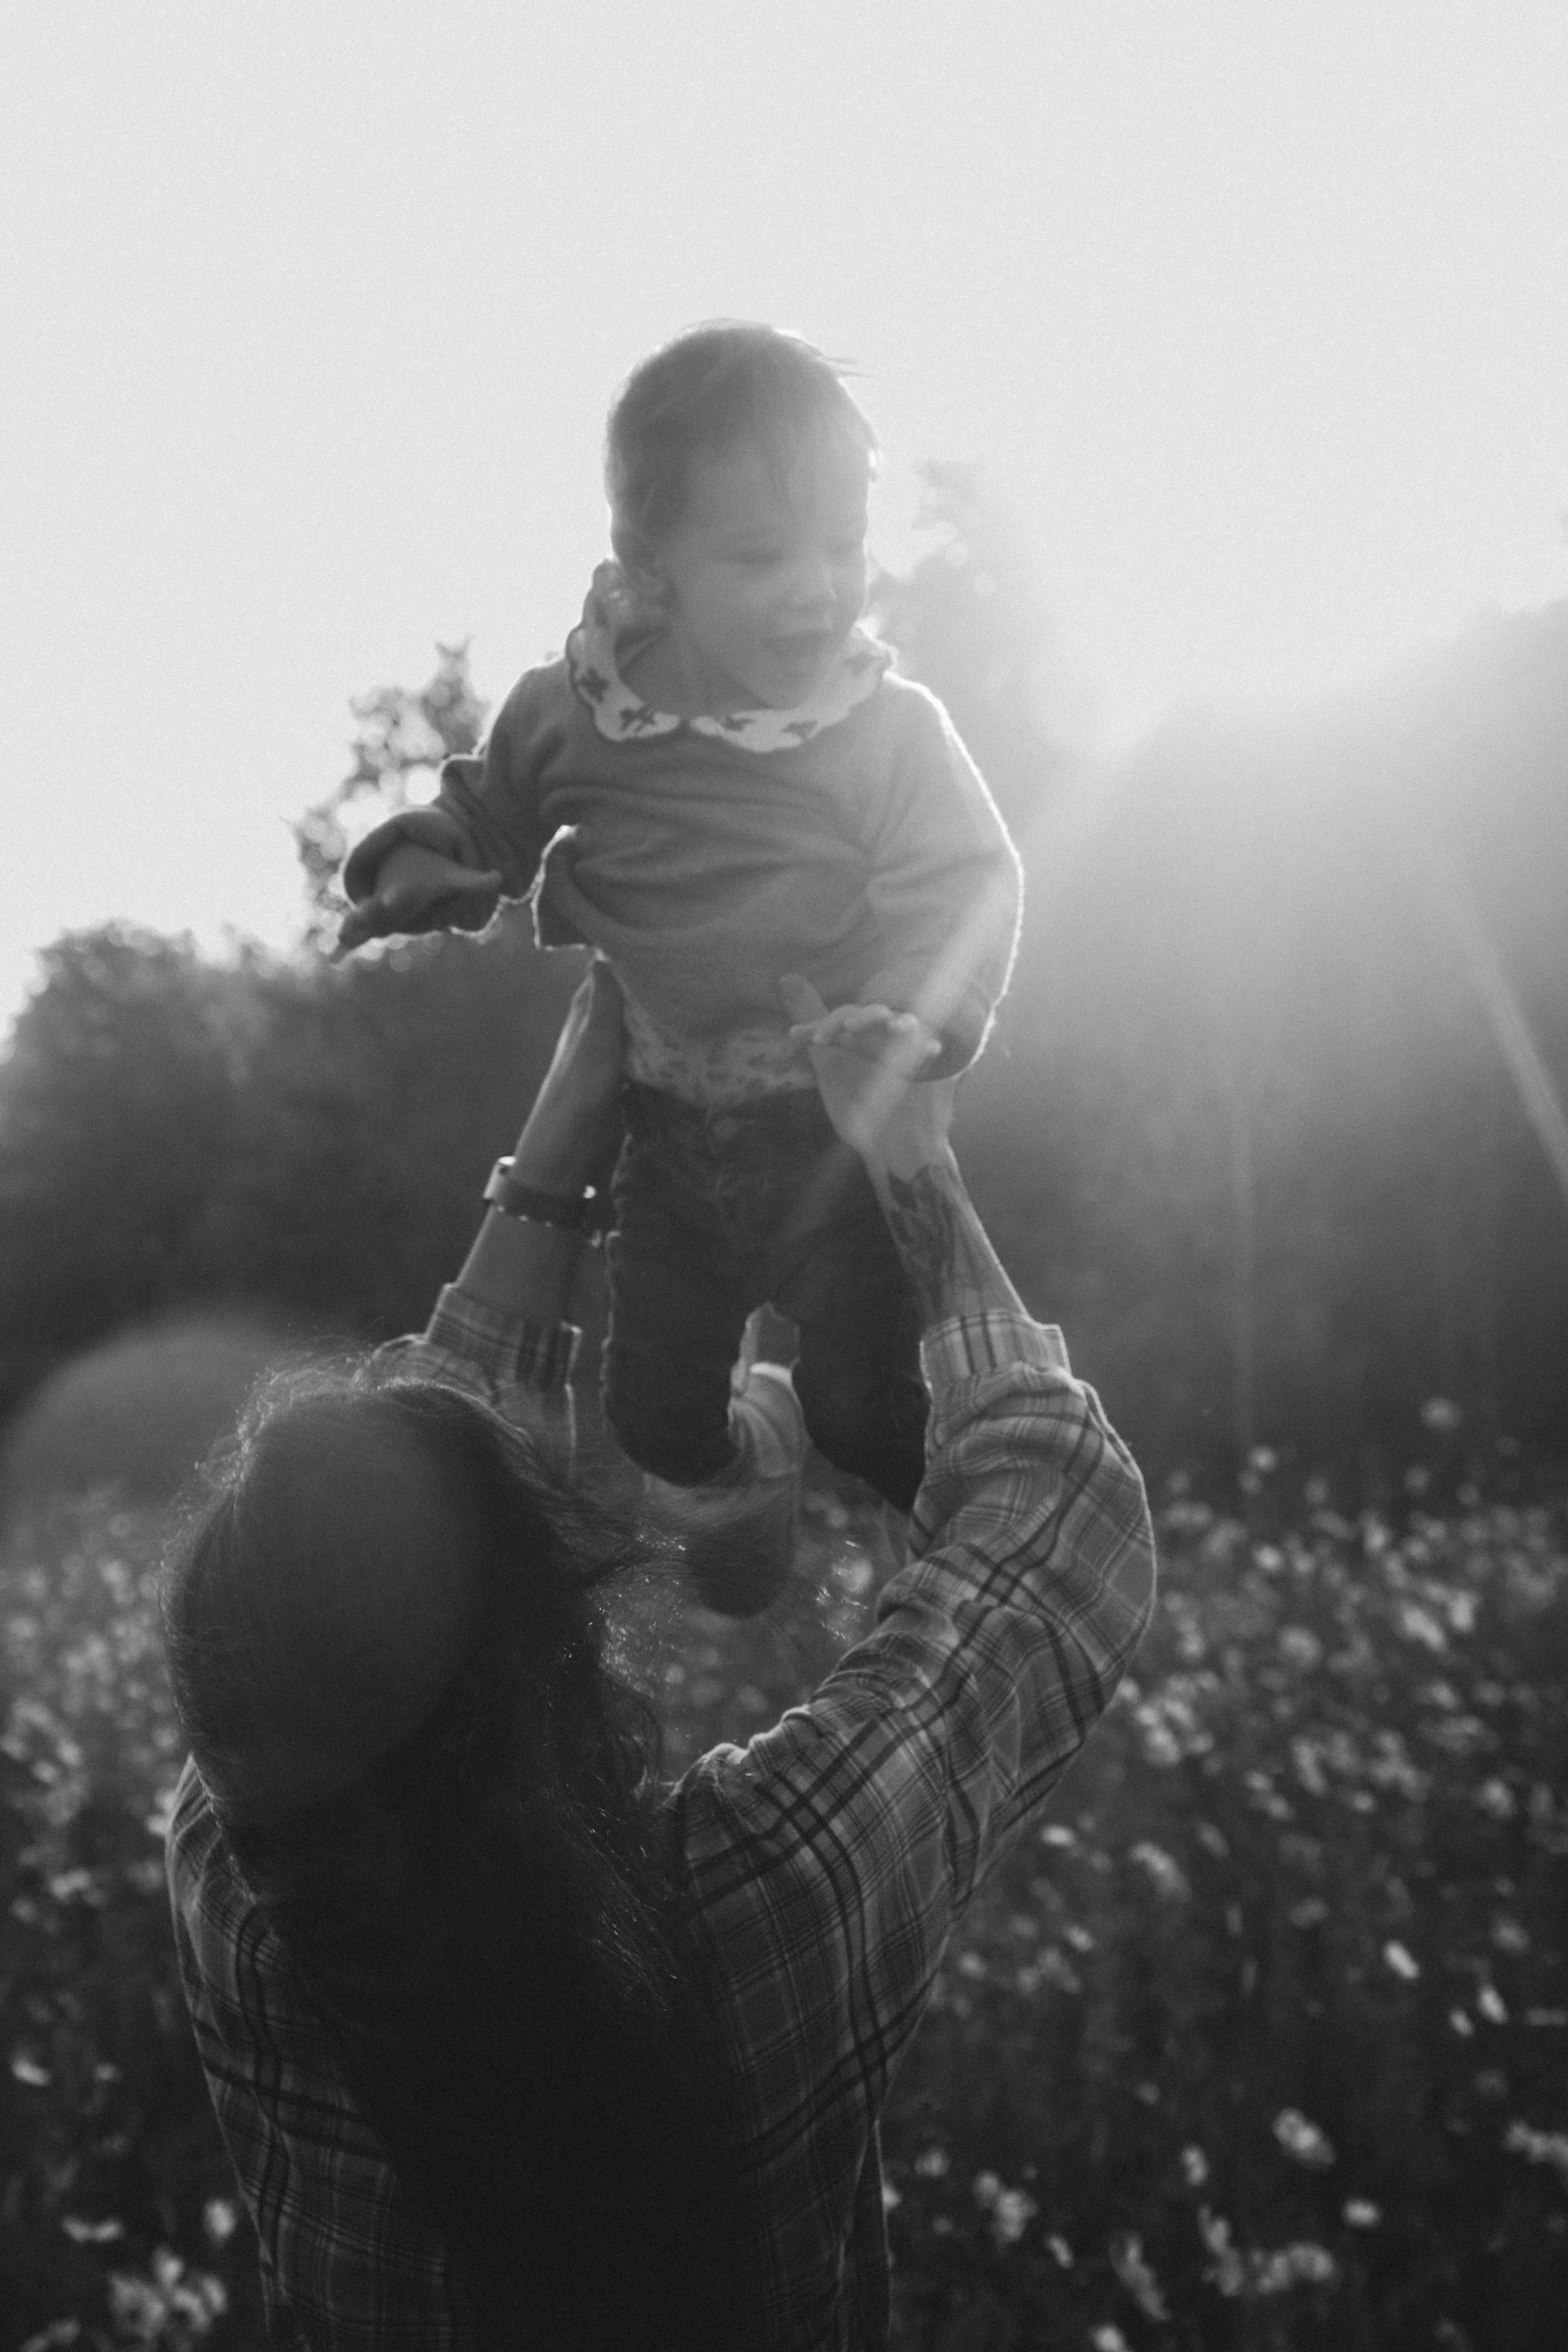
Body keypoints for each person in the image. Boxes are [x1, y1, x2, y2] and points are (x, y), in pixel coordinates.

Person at [162, 958, 1154, 2352]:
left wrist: (557, 1153)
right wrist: (911, 1171)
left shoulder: (239, 1894)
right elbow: (1061, 1520)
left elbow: (384, 1580)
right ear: (554, 1647)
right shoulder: (756, 1906)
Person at [334, 322, 1024, 1613]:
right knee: (652, 1416)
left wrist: (917, 1018)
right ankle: (750, 1460)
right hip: (660, 1138)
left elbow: (964, 878)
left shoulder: (878, 730)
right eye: (761, 556)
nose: (815, 591)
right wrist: (430, 867)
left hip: (819, 1127)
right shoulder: (582, 706)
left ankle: (962, 1598)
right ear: (651, 568)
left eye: (840, 548)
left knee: (872, 1409)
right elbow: (492, 812)